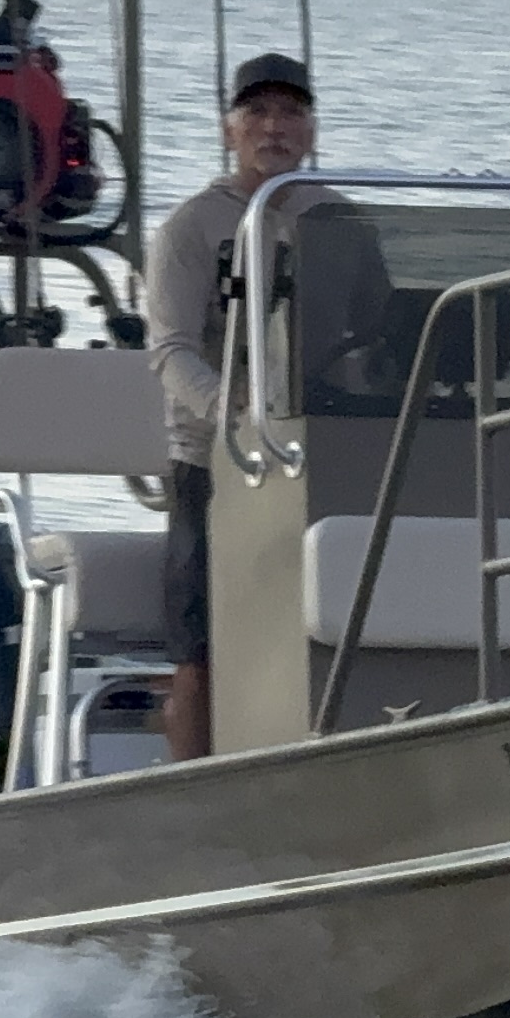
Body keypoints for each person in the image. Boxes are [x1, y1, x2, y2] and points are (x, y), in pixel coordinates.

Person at [143, 53, 317, 760]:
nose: (274, 128)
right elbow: (169, 351)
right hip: (212, 464)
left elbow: (373, 335)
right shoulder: (191, 227)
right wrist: (231, 413)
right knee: (203, 648)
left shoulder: (340, 218)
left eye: (290, 113)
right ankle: (184, 794)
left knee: (312, 632)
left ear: (310, 130)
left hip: (317, 457)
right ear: (229, 130)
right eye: (257, 113)